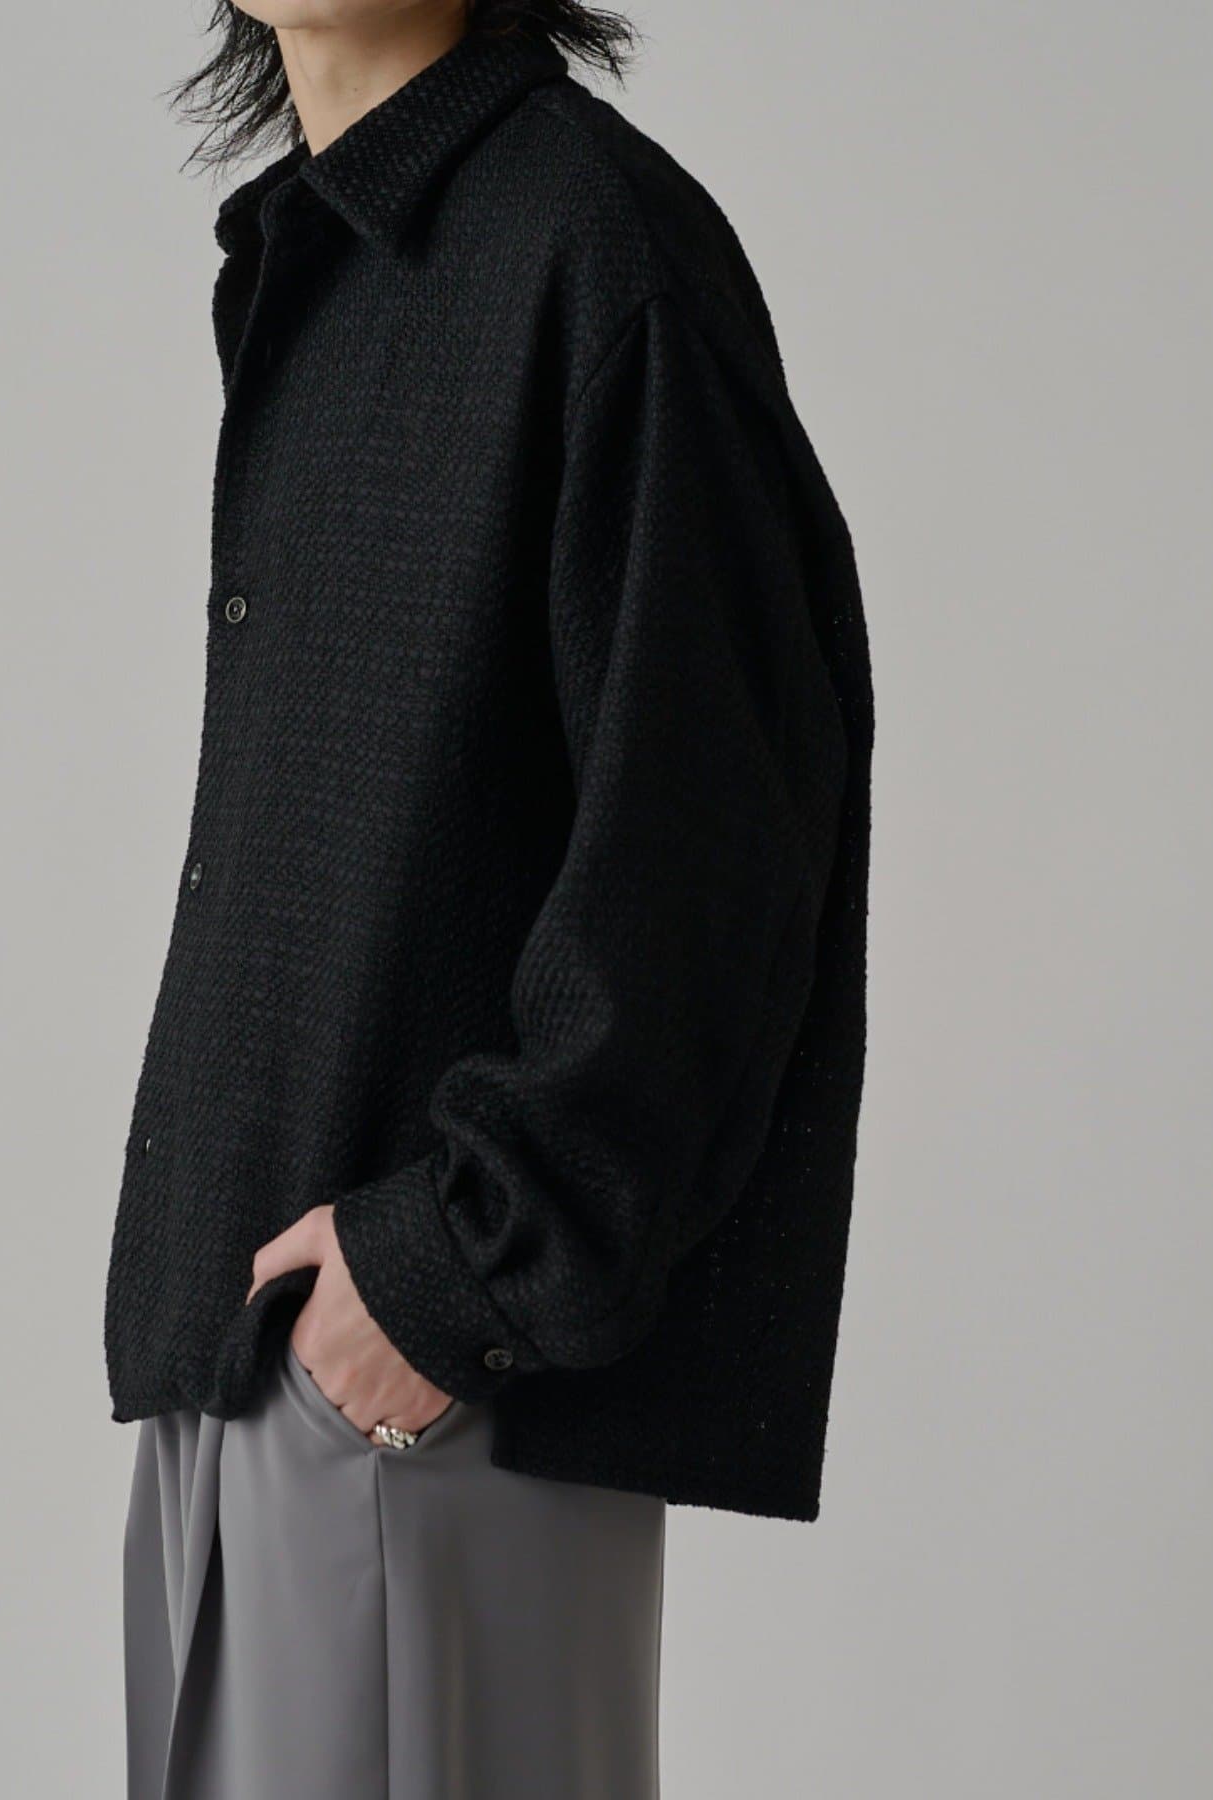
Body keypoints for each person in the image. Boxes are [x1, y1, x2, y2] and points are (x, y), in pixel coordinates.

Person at [105, 2, 873, 1794]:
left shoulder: (594, 242)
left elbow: (717, 846)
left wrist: (456, 1267)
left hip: (430, 1395)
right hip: (240, 1364)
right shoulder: (325, 250)